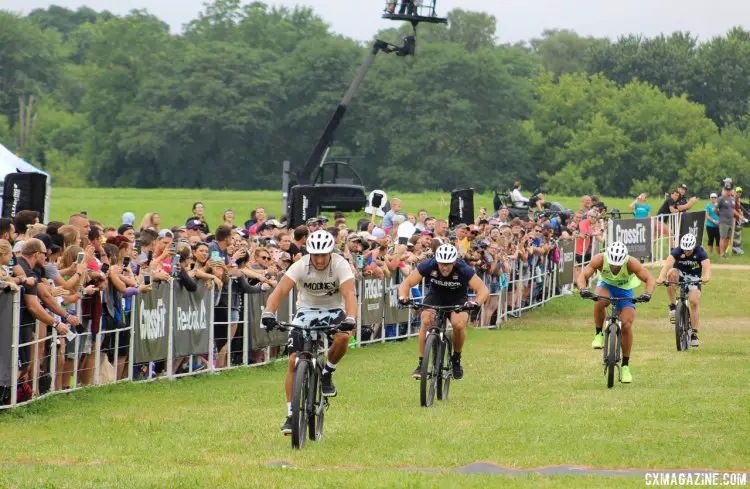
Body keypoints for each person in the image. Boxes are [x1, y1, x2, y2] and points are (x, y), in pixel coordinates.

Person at [260, 230, 357, 435]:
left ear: (331, 253)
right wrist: (268, 312)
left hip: (333, 310)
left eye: (324, 255)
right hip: (306, 311)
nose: (320, 260)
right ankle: (290, 415)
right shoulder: (300, 265)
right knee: (294, 360)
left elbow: (349, 293)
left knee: (343, 337)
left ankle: (328, 372)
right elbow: (280, 291)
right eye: (315, 255)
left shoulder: (340, 264)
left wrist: (350, 318)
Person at [397, 244, 489, 381]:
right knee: (426, 320)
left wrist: (476, 303)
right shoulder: (429, 265)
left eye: (448, 264)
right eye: (441, 264)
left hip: (458, 298)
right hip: (436, 296)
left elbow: (483, 289)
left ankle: (456, 359)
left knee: (458, 325)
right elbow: (407, 282)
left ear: (453, 262)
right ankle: (421, 364)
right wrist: (403, 297)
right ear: (437, 261)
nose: (444, 268)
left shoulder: (463, 268)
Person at [576, 241, 655, 384]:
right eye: (612, 265)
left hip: (625, 291)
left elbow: (649, 279)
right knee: (600, 300)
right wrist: (583, 289)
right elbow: (583, 275)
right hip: (606, 286)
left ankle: (625, 366)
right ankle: (599, 333)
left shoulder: (631, 263)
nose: (615, 268)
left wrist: (647, 293)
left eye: (618, 266)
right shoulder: (599, 259)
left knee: (626, 325)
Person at [655, 233, 711, 347]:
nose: (686, 252)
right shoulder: (677, 251)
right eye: (684, 249)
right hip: (680, 275)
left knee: (694, 302)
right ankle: (672, 306)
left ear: (693, 247)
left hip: (694, 278)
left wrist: (706, 276)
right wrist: (661, 277)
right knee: (671, 274)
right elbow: (667, 264)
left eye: (688, 250)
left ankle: (694, 334)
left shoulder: (700, 252)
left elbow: (707, 267)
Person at [716, 187, 735, 258]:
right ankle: (721, 253)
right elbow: (716, 208)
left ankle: (724, 253)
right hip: (723, 221)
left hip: (730, 221)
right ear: (725, 191)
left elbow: (732, 209)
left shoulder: (733, 199)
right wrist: (719, 215)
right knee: (723, 237)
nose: (728, 192)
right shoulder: (721, 198)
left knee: (728, 238)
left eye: (730, 190)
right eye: (727, 190)